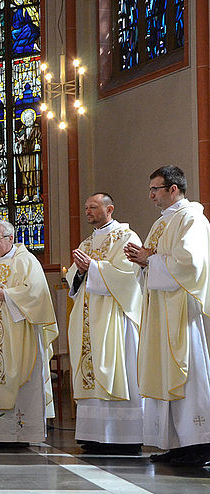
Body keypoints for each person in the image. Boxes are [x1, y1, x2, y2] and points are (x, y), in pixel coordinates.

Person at [124, 165, 210, 466]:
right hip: (160, 309)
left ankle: (199, 443)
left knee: (188, 373)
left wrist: (150, 259)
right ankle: (175, 443)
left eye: (155, 189)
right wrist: (143, 261)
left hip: (180, 313)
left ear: (173, 189)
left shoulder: (191, 218)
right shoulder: (162, 223)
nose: (150, 196)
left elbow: (191, 263)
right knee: (164, 373)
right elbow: (154, 261)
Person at [0, 219, 57, 447]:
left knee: (20, 376)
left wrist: (6, 295)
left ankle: (19, 435)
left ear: (11, 238)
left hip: (18, 338)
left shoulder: (26, 261)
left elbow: (36, 293)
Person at [66, 193, 143, 455]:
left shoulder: (126, 237)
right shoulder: (86, 242)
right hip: (88, 317)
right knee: (90, 370)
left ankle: (123, 436)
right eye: (86, 207)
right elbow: (74, 279)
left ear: (109, 208)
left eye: (93, 207)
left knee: (114, 367)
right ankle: (93, 435)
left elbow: (129, 276)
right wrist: (80, 270)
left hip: (113, 317)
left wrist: (94, 268)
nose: (87, 211)